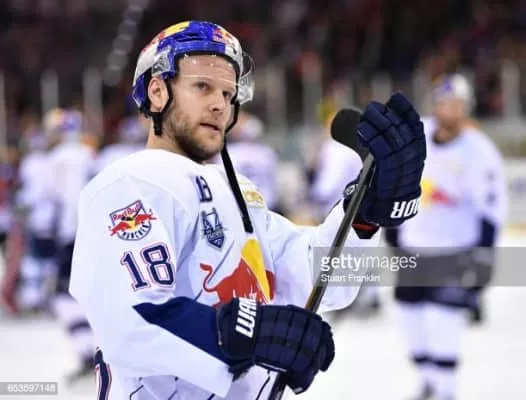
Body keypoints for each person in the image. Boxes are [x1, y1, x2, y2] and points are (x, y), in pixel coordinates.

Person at [69, 21, 426, 399]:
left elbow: (316, 279)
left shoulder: (236, 190)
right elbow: (130, 318)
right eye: (202, 86)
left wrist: (363, 214)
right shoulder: (132, 183)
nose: (219, 104)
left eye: (227, 92)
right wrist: (245, 332)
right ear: (157, 92)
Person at [384, 73, 507, 400]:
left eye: (456, 104)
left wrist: (485, 253)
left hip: (454, 250)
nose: (449, 110)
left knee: (443, 321)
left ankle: (446, 390)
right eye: (444, 103)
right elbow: (396, 182)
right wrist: (392, 231)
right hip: (413, 247)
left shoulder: (479, 151)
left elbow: (492, 206)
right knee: (410, 319)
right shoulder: (417, 138)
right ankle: (428, 382)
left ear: (466, 108)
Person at [45, 108, 97, 382]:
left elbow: (51, 194)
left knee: (62, 294)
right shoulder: (89, 153)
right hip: (92, 229)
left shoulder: (57, 157)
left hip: (69, 230)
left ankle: (86, 350)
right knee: (90, 292)